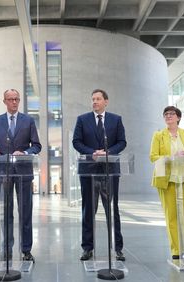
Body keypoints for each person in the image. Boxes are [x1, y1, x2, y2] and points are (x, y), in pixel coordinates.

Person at [0, 89, 41, 263]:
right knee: (5, 213)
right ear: (4, 101)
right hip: (4, 172)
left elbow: (37, 146)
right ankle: (6, 250)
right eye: (10, 99)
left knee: (25, 212)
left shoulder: (28, 120)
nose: (14, 102)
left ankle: (26, 250)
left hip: (24, 172)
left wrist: (25, 151)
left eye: (16, 99)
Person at [72, 89, 127, 261]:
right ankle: (87, 248)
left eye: (98, 99)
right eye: (93, 99)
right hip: (88, 170)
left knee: (112, 210)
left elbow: (122, 142)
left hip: (110, 170)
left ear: (106, 101)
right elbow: (76, 141)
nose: (94, 102)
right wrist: (92, 152)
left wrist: (108, 153)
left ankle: (117, 248)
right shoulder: (82, 120)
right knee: (88, 210)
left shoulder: (116, 120)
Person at [149, 106, 184, 260]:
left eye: (171, 114)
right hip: (167, 180)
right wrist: (172, 156)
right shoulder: (158, 135)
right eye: (166, 114)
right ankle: (176, 251)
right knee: (171, 215)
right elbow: (153, 157)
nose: (168, 116)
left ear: (178, 117)